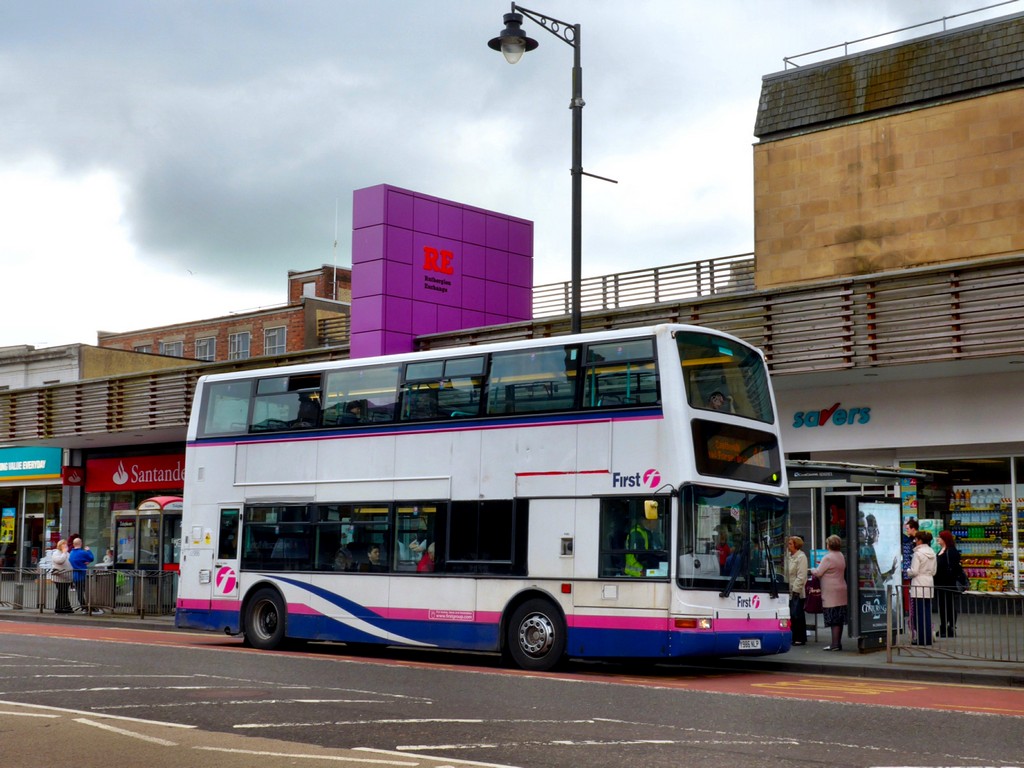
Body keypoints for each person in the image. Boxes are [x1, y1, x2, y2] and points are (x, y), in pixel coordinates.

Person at [810, 534, 848, 651]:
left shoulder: (827, 557)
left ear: (829, 545)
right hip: (841, 589)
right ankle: (837, 643)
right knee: (839, 618)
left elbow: (819, 572)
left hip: (831, 591)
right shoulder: (841, 555)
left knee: (833, 618)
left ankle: (834, 644)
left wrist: (812, 569)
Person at [908, 530, 937, 645]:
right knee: (927, 612)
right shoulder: (932, 553)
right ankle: (928, 638)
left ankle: (921, 638)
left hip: (918, 583)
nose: (915, 541)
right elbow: (934, 571)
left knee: (919, 613)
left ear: (920, 540)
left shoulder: (918, 554)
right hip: (929, 583)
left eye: (916, 539)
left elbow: (914, 571)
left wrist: (908, 571)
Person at [935, 530, 962, 638]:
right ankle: (943, 626)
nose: (938, 539)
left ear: (945, 539)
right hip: (940, 582)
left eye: (940, 537)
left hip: (948, 582)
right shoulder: (941, 550)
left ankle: (951, 627)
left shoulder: (951, 551)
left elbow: (955, 567)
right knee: (942, 605)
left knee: (949, 605)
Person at [68, 537, 103, 615]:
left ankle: (83, 607)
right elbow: (91, 558)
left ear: (73, 544)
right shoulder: (83, 552)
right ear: (80, 543)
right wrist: (88, 550)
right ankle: (91, 607)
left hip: (75, 575)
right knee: (88, 592)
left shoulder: (71, 553)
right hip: (83, 575)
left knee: (79, 592)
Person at [624, 511, 664, 577]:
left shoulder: (646, 532)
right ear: (649, 521)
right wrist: (656, 563)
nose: (657, 523)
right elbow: (641, 555)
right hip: (636, 572)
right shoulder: (636, 533)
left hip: (642, 571)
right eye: (656, 521)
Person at [785, 536, 809, 645]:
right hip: (788, 590)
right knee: (792, 614)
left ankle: (800, 638)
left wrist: (796, 590)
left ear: (796, 545)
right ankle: (793, 636)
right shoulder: (789, 556)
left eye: (790, 544)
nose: (788, 545)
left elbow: (801, 576)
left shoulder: (801, 557)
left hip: (796, 591)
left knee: (797, 614)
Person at [50, 539, 74, 614]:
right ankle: (60, 608)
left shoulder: (67, 553)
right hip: (60, 577)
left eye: (66, 544)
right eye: (64, 544)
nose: (65, 546)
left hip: (67, 577)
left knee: (64, 593)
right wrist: (64, 553)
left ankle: (66, 607)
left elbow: (71, 561)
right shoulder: (56, 553)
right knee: (62, 592)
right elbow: (60, 561)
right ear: (60, 546)